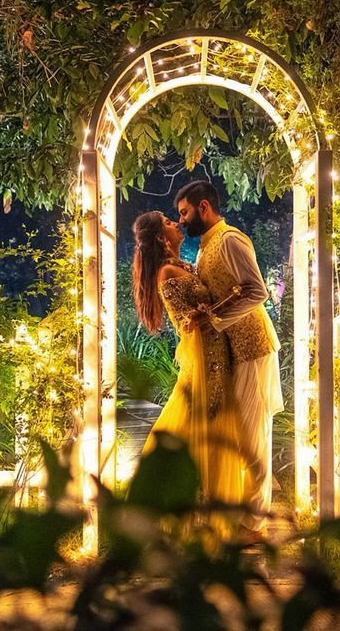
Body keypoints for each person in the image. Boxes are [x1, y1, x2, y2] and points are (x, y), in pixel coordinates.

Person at [175, 180, 283, 538]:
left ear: (203, 207)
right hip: (233, 351)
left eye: (185, 212)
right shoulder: (205, 248)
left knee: (253, 438)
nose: (181, 220)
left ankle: (255, 524)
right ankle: (243, 514)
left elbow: (257, 291)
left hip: (252, 346)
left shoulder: (230, 240)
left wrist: (215, 318)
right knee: (237, 435)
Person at [131, 210, 247, 514]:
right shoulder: (167, 274)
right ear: (160, 237)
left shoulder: (182, 266)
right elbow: (184, 320)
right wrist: (222, 304)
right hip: (204, 355)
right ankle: (193, 509)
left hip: (215, 350)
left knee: (209, 428)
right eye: (170, 223)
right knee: (200, 426)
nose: (177, 223)